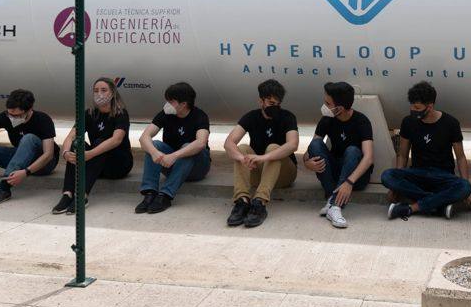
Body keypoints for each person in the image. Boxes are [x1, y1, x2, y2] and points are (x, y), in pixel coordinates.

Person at [382, 81, 471, 221]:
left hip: (443, 176)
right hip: (417, 174)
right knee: (387, 175)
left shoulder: (451, 123)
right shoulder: (408, 122)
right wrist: (396, 188)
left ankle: (411, 208)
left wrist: (468, 190)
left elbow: (460, 157)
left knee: (465, 187)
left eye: (417, 107)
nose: (413, 110)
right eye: (411, 106)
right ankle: (438, 204)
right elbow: (402, 155)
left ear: (430, 106)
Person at [51, 77, 134, 215]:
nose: (99, 94)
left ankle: (82, 195)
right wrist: (65, 152)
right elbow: (71, 136)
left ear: (112, 93)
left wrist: (90, 154)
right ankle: (68, 194)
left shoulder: (121, 113)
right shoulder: (89, 113)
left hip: (118, 164)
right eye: (96, 90)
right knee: (77, 144)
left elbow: (116, 140)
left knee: (100, 142)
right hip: (97, 163)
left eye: (103, 90)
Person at [224, 79, 299, 228]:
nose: (275, 107)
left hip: (284, 174)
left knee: (273, 148)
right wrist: (242, 158)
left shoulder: (288, 117)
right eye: (271, 103)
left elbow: (293, 144)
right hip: (257, 172)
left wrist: (263, 157)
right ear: (261, 101)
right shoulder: (251, 116)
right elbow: (229, 143)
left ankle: (260, 203)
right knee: (243, 148)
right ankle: (242, 201)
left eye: (278, 104)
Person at [302, 81, 374, 228]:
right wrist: (307, 163)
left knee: (353, 150)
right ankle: (332, 199)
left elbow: (368, 158)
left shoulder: (362, 121)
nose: (324, 106)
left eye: (328, 103)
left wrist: (349, 182)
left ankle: (334, 205)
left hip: (356, 177)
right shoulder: (327, 120)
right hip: (334, 175)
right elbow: (310, 150)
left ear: (339, 108)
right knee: (315, 145)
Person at [135, 82, 211, 214]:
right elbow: (144, 137)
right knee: (154, 144)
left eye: (171, 101)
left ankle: (165, 195)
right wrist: (154, 153)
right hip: (171, 165)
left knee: (189, 146)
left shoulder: (199, 116)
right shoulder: (165, 114)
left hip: (197, 168)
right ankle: (150, 193)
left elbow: (200, 143)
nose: (167, 104)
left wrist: (174, 156)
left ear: (183, 104)